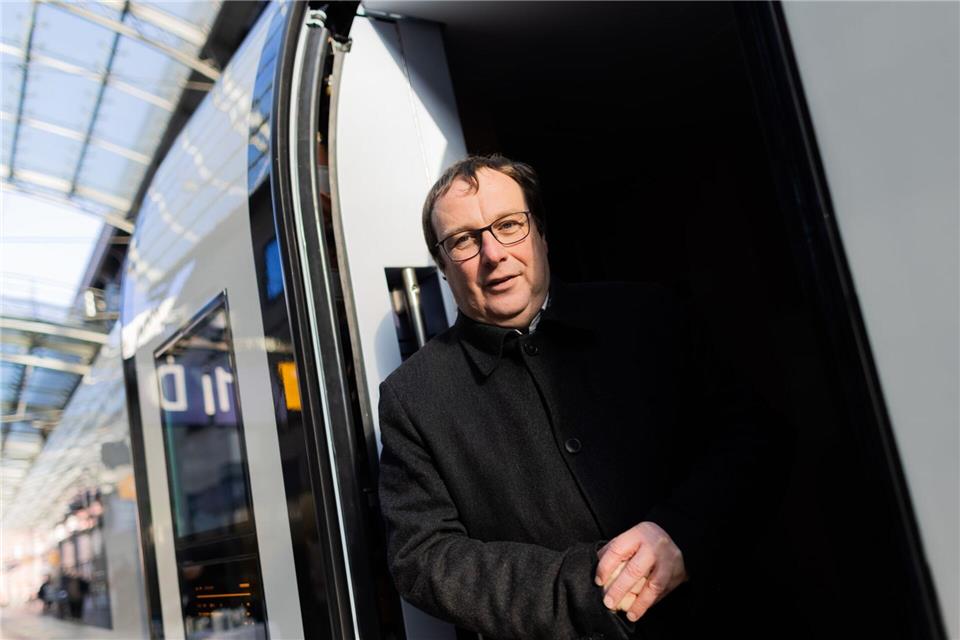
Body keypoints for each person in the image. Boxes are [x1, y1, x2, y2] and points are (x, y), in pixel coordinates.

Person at [377, 155, 785, 639]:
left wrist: (683, 534)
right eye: (464, 240)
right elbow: (423, 558)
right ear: (443, 267)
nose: (493, 253)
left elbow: (752, 435)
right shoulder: (411, 398)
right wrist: (587, 588)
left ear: (541, 234)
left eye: (509, 225)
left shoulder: (647, 317)